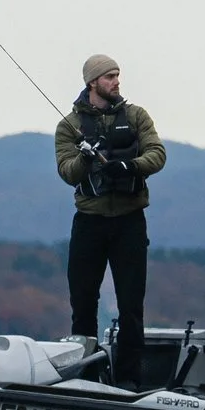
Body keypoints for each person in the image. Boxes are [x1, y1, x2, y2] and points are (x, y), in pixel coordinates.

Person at [55, 54, 167, 387]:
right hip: (89, 223)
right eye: (109, 77)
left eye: (117, 75)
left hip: (130, 222)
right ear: (93, 82)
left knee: (131, 305)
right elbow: (66, 172)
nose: (117, 82)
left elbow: (157, 154)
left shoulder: (136, 116)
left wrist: (130, 166)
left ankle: (130, 381)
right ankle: (86, 377)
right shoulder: (69, 127)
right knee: (83, 304)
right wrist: (85, 158)